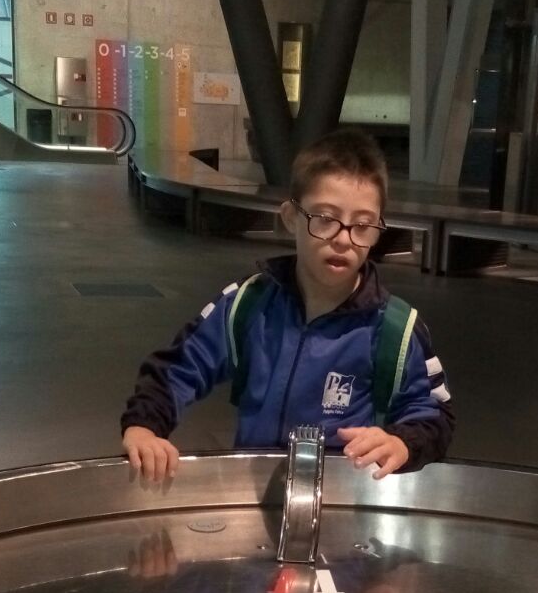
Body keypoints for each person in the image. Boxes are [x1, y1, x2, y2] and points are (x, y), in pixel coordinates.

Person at [120, 129, 454, 483]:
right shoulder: (248, 304)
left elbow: (436, 416)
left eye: (362, 225)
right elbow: (178, 368)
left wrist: (403, 442)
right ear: (292, 217)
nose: (343, 239)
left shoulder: (396, 330)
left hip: (341, 498)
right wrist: (143, 426)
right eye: (325, 218)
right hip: (250, 490)